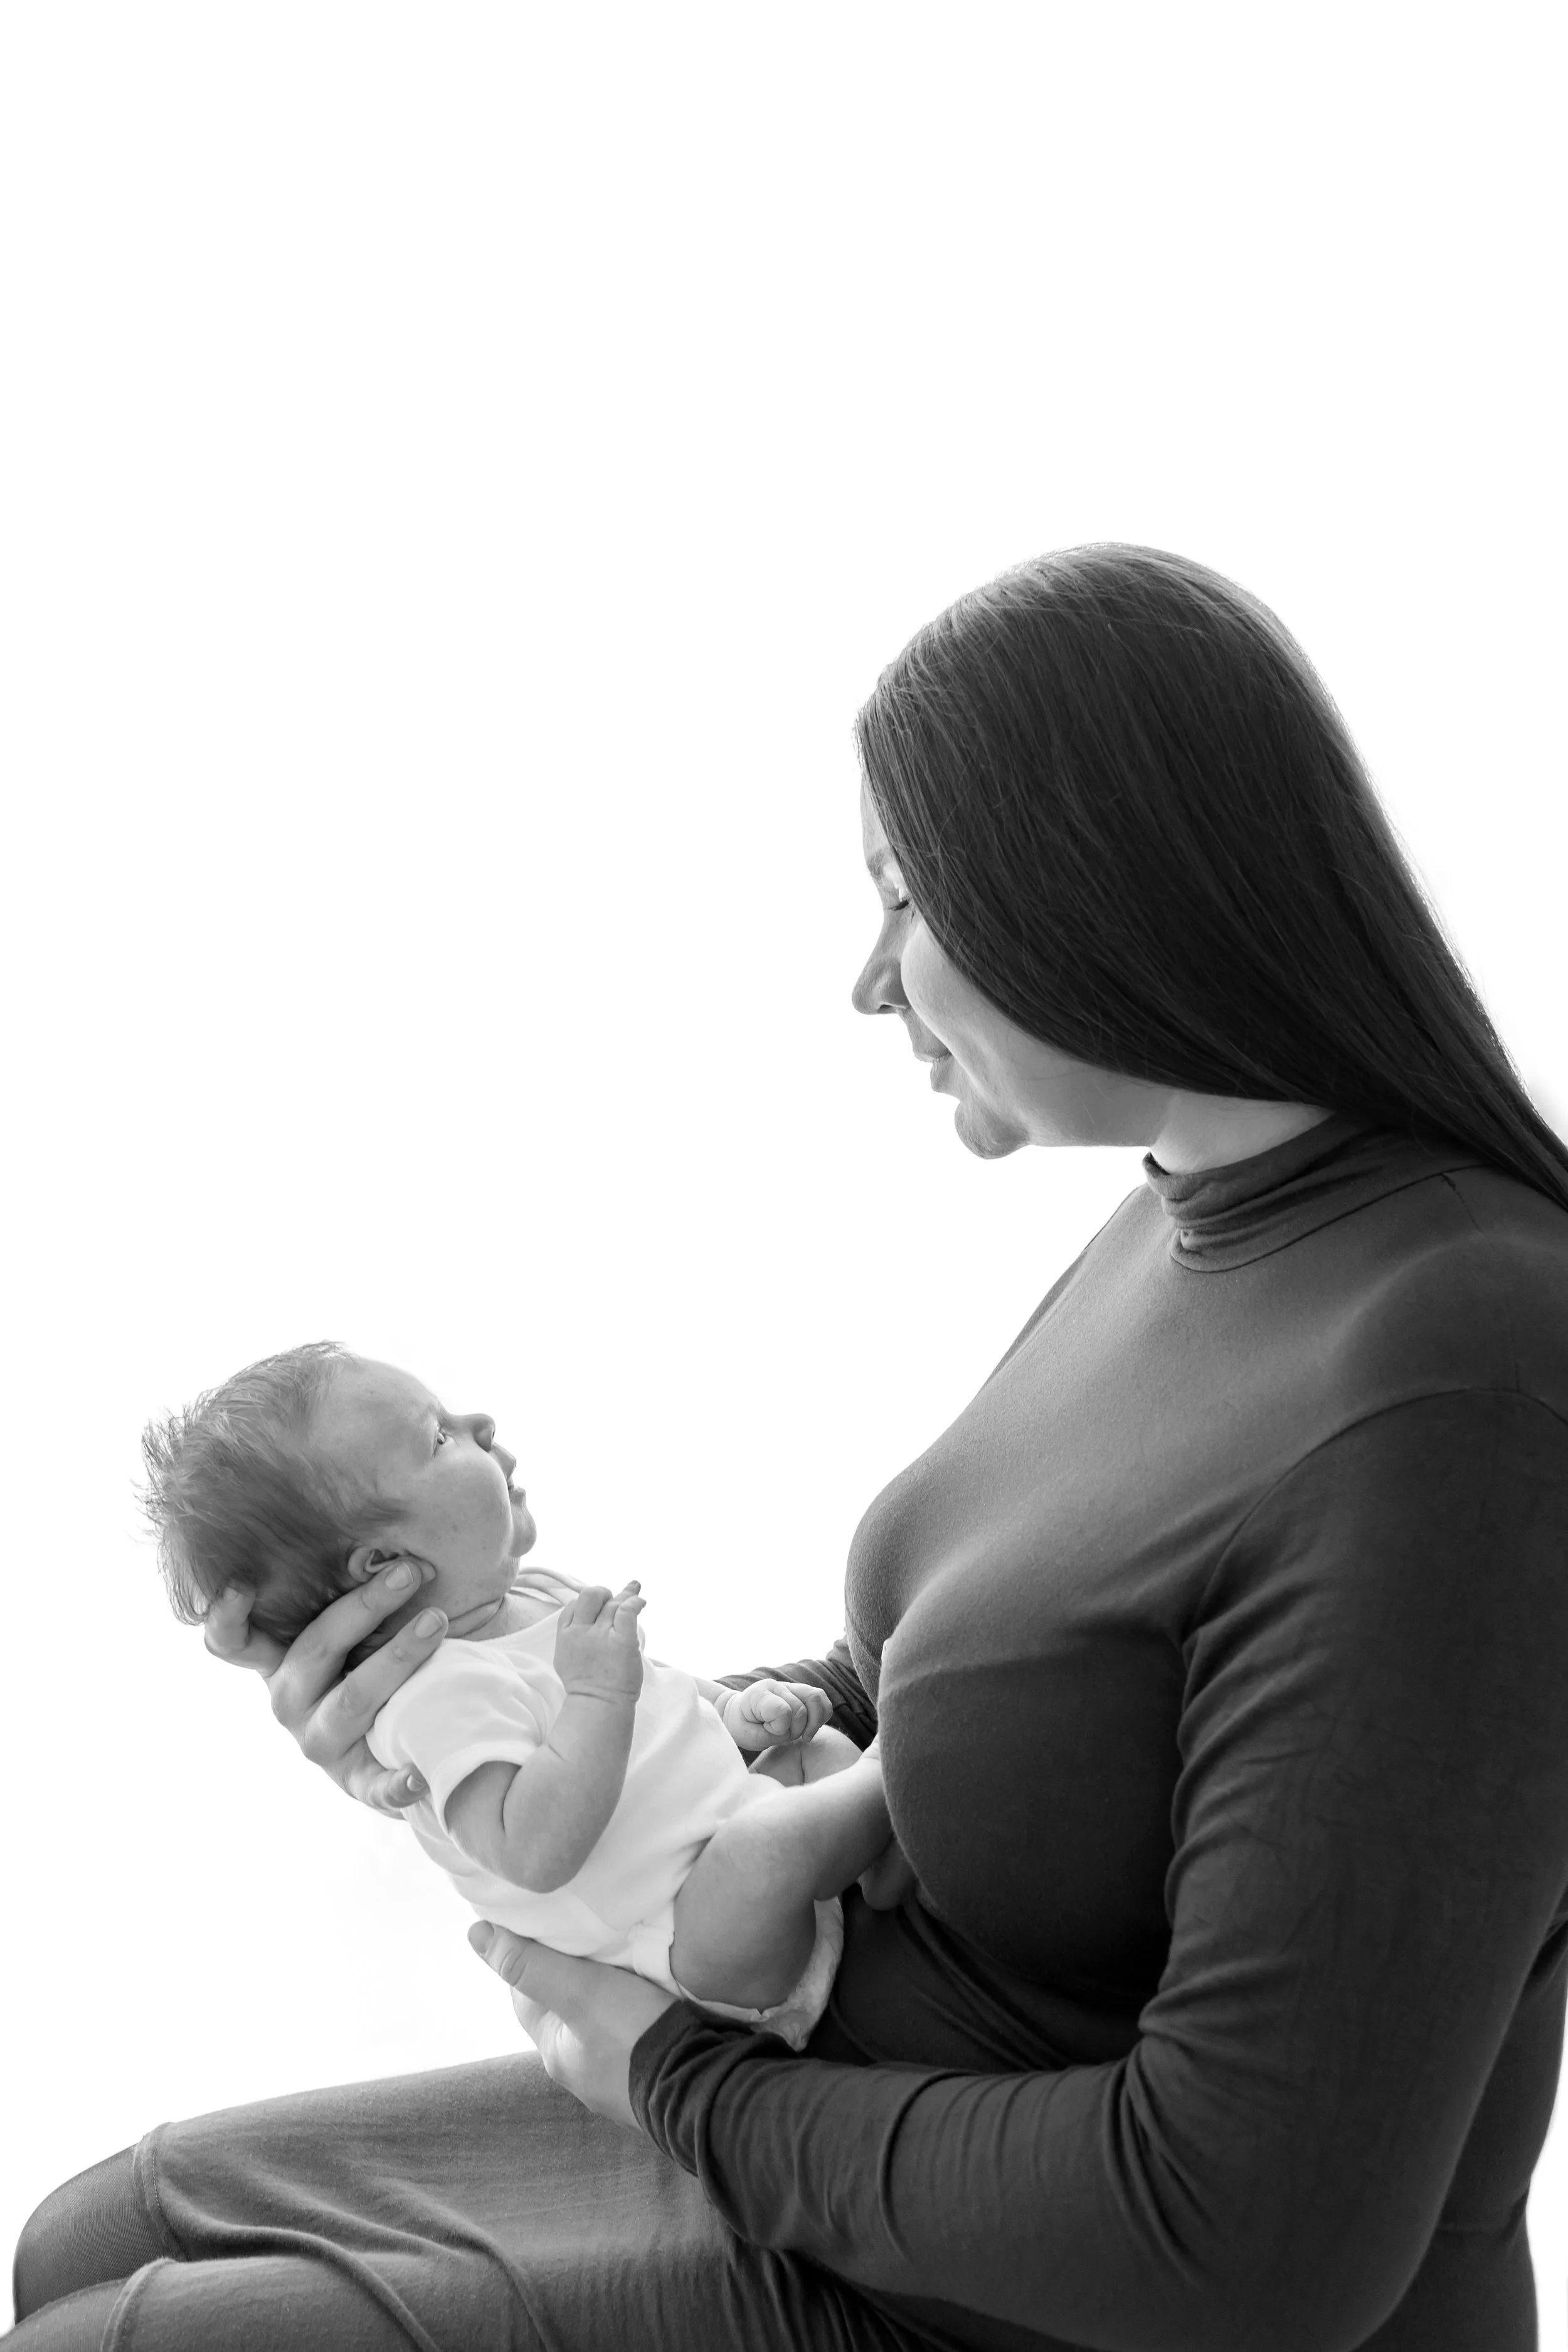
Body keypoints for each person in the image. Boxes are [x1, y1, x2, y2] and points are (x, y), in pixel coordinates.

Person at [13, 542, 1568, 2351]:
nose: (865, 979)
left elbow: (1244, 2246)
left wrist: (680, 2082)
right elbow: (1048, 1662)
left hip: (1047, 2283)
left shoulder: (1458, 1379)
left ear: (1097, 885)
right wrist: (497, 1714)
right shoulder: (1190, 1212)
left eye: (905, 898)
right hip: (838, 2045)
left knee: (101, 2341)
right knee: (91, 2225)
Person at [138, 1344, 894, 2047]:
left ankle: (892, 1866)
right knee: (766, 1849)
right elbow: (532, 1852)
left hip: (745, 1858)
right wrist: (599, 1690)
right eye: (437, 1436)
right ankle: (902, 1768)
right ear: (383, 1563)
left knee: (813, 1751)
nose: (479, 1423)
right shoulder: (432, 1701)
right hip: (694, 1949)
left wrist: (732, 1713)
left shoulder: (536, 1592)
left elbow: (660, 1697)